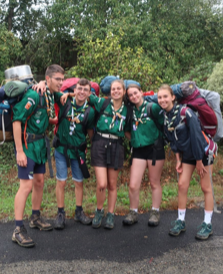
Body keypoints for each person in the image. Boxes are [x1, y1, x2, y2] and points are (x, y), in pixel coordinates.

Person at [12, 64, 64, 247]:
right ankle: (18, 229)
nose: (61, 82)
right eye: (58, 79)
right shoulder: (34, 95)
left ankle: (35, 217)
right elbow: (17, 120)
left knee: (39, 182)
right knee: (25, 186)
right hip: (28, 146)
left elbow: (42, 117)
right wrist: (19, 151)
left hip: (41, 146)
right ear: (48, 79)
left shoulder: (48, 95)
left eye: (62, 79)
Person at [33, 78, 95, 229]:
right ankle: (60, 213)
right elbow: (50, 90)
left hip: (78, 151)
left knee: (78, 182)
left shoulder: (90, 111)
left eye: (85, 90)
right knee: (61, 181)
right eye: (79, 88)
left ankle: (79, 212)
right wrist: (41, 83)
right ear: (75, 90)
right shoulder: (64, 101)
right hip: (61, 149)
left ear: (89, 93)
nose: (81, 92)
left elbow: (91, 133)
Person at [157, 83, 215, 240]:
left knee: (205, 187)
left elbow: (197, 137)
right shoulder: (165, 116)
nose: (162, 100)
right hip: (188, 155)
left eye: (165, 96)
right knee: (182, 185)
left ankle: (207, 224)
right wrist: (178, 159)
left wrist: (198, 161)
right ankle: (181, 221)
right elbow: (172, 140)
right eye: (160, 97)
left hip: (202, 152)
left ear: (173, 97)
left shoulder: (186, 112)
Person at [79, 79, 131, 230]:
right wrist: (68, 94)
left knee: (112, 184)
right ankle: (99, 211)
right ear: (110, 91)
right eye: (113, 89)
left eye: (118, 89)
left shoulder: (128, 109)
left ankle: (110, 214)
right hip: (100, 143)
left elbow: (128, 130)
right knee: (102, 183)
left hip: (117, 145)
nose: (115, 91)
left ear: (123, 91)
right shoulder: (102, 102)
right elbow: (83, 94)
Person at [123, 84, 165, 227]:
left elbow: (163, 125)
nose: (134, 96)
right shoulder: (130, 111)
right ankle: (133, 212)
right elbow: (126, 131)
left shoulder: (152, 107)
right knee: (134, 185)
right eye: (130, 95)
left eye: (136, 93)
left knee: (154, 182)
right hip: (138, 150)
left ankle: (155, 212)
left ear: (141, 92)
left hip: (155, 150)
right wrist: (136, 139)